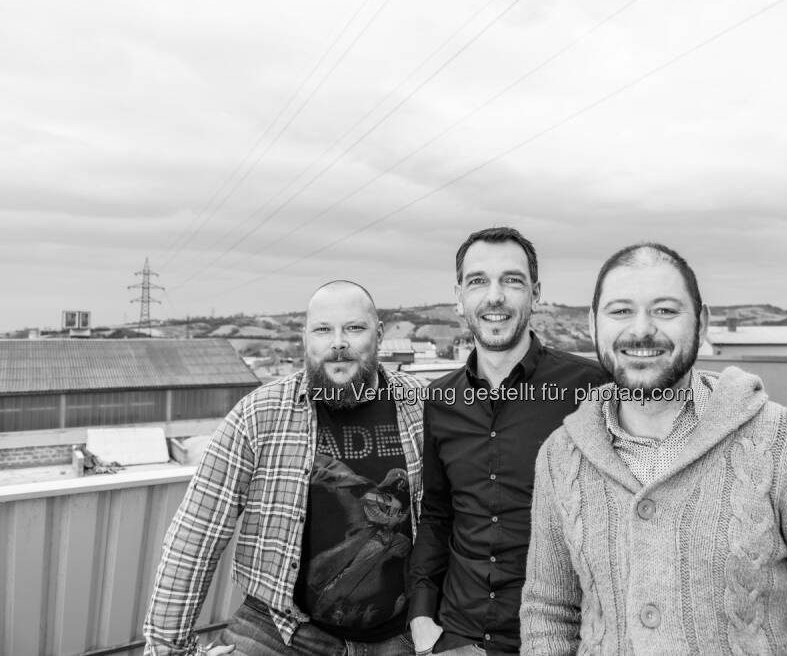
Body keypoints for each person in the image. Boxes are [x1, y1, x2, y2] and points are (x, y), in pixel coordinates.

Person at [520, 243, 787, 655]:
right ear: (593, 325)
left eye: (665, 310)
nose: (642, 330)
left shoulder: (785, 443)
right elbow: (549, 613)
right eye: (621, 311)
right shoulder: (560, 456)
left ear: (702, 322)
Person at [144, 281, 427, 656]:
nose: (338, 342)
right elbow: (196, 535)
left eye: (354, 328)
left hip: (399, 634)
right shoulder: (259, 415)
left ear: (379, 334)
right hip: (279, 630)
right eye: (323, 329)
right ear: (304, 338)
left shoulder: (424, 407)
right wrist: (169, 650)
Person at [408, 227, 608, 655]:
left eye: (511, 280)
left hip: (555, 641)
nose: (494, 296)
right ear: (459, 295)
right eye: (478, 281)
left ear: (535, 293)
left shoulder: (591, 389)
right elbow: (438, 514)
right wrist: (423, 618)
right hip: (456, 638)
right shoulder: (440, 399)